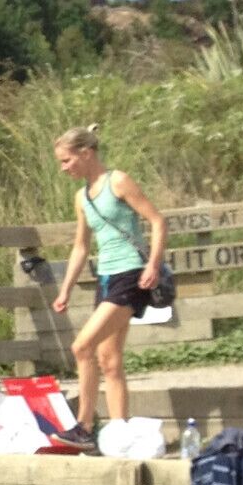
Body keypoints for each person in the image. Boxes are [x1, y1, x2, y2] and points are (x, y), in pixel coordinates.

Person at [48, 125, 169, 445]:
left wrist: (153, 263)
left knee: (81, 347)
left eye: (66, 161)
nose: (64, 168)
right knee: (109, 361)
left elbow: (157, 221)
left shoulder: (118, 181)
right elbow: (80, 247)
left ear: (85, 154)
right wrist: (66, 289)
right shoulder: (81, 197)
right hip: (107, 277)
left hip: (131, 273)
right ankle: (120, 435)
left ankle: (84, 427)